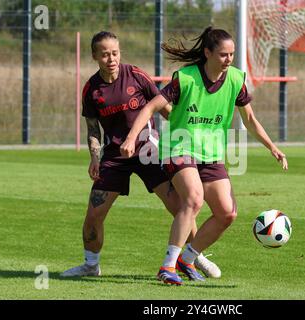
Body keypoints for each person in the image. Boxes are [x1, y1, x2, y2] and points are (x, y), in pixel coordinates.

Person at [120, 26, 288, 285]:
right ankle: (168, 266)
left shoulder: (235, 79)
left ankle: (187, 259)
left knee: (227, 213)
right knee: (194, 199)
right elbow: (151, 106)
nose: (229, 59)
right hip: (179, 148)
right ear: (207, 53)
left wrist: (272, 147)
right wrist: (132, 138)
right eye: (223, 54)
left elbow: (251, 119)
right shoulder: (185, 78)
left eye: (231, 55)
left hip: (210, 154)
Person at [61, 31, 221, 280]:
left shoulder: (136, 75)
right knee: (94, 215)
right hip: (114, 157)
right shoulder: (91, 90)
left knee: (181, 206)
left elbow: (165, 108)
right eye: (104, 54)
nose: (111, 58)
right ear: (95, 56)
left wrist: (184, 140)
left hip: (150, 152)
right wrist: (94, 158)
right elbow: (93, 130)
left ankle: (193, 258)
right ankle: (91, 265)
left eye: (114, 53)